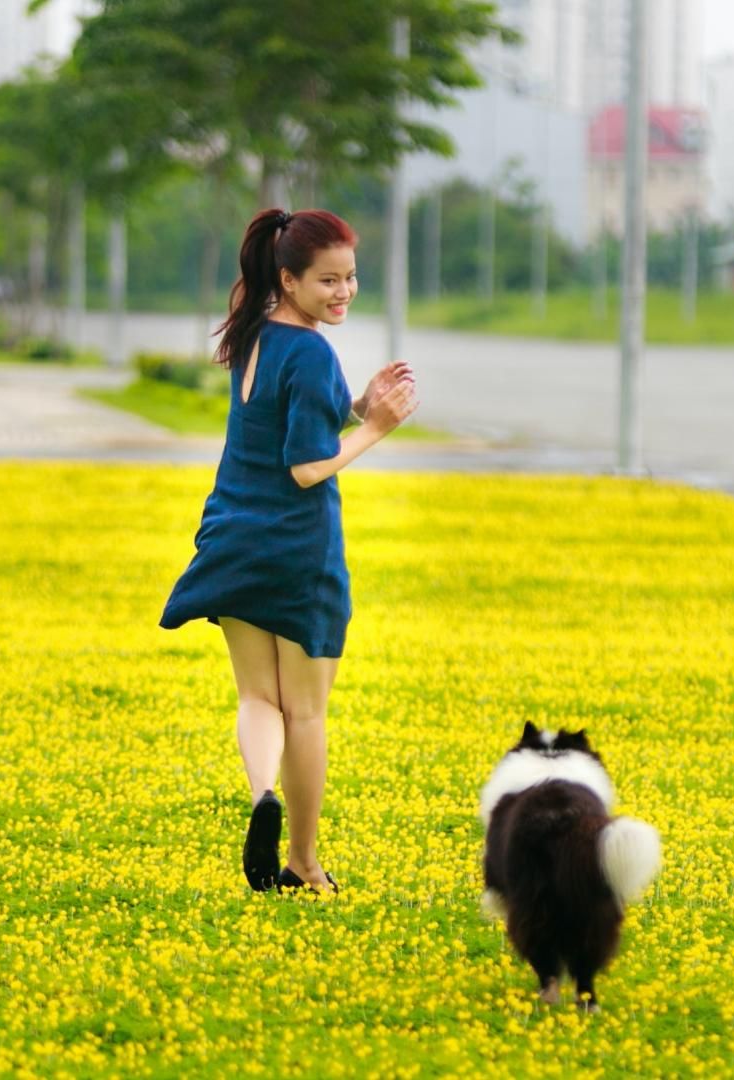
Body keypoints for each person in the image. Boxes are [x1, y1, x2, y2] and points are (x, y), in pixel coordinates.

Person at [160, 207, 418, 894]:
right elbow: (306, 466)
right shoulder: (310, 351)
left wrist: (359, 403)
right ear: (290, 278)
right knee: (305, 711)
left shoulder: (256, 336)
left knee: (257, 696)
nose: (343, 293)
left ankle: (261, 797)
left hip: (233, 539)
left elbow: (293, 415)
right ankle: (303, 861)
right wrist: (379, 429)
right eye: (328, 280)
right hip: (298, 550)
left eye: (352, 279)